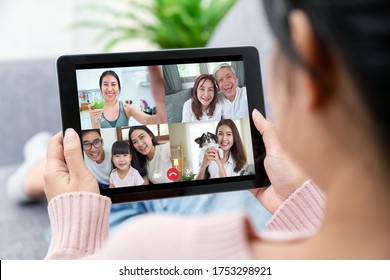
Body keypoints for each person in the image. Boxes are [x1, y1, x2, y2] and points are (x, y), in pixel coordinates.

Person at [43, 0, 390, 259]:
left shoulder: (143, 251)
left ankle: (41, 161)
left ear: (309, 59)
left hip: (173, 193)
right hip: (228, 193)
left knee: (116, 200)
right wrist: (301, 204)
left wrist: (72, 232)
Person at [88, 66, 166, 128]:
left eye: (113, 84)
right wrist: (94, 119)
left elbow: (147, 120)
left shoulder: (126, 107)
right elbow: (97, 131)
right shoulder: (96, 110)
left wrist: (163, 115)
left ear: (118, 87)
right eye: (105, 84)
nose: (109, 89)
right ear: (100, 87)